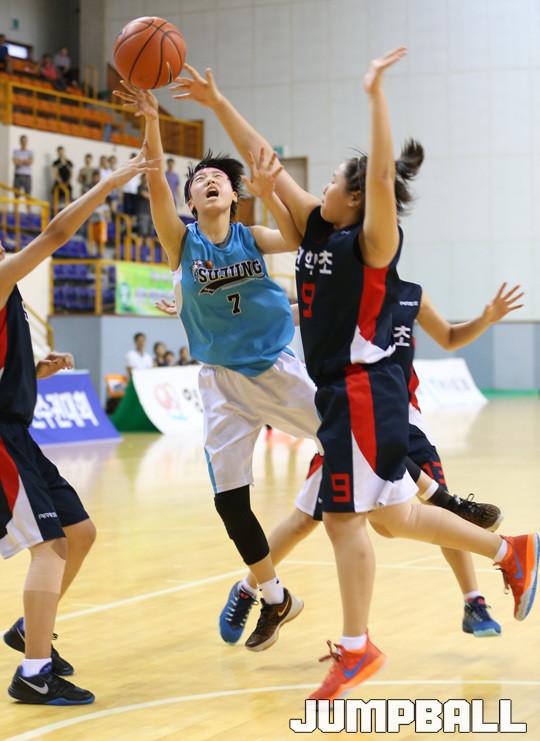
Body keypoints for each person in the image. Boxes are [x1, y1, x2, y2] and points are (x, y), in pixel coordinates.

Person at [172, 51, 540, 700]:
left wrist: (375, 98)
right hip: (342, 394)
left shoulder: (374, 244)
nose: (324, 187)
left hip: (365, 392)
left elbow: (379, 183)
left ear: (359, 196)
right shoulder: (317, 226)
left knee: (345, 520)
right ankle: (511, 552)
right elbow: (264, 160)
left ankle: (356, 646)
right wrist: (218, 103)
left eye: (337, 181)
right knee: (393, 518)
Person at [114, 81, 321, 651]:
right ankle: (274, 596)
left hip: (275, 370)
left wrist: (271, 193)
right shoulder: (181, 244)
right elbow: (155, 180)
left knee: (355, 444)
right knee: (230, 501)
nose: (208, 181)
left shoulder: (252, 237)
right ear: (190, 201)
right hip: (220, 383)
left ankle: (432, 491)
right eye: (199, 179)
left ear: (233, 196)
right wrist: (152, 120)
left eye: (219, 179)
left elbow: (298, 238)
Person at [0, 151, 154, 706]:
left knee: (79, 534)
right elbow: (56, 233)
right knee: (48, 548)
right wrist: (110, 183)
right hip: (2, 442)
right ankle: (34, 674)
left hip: (18, 434)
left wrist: (28, 370)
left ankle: (31, 629)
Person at [87, 170, 109, 257]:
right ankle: (91, 256)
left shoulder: (105, 207)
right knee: (92, 240)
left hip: (101, 224)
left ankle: (101, 254)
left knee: (101, 241)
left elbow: (108, 217)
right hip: (92, 223)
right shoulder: (91, 205)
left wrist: (103, 214)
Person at [12, 135, 33, 211]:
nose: (24, 142)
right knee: (16, 195)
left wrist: (20, 161)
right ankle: (16, 215)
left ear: (27, 142)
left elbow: (30, 162)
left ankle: (29, 214)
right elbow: (15, 162)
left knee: (28, 196)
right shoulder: (16, 151)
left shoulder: (30, 152)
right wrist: (25, 161)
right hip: (18, 175)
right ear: (20, 142)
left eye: (25, 141)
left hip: (27, 176)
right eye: (22, 141)